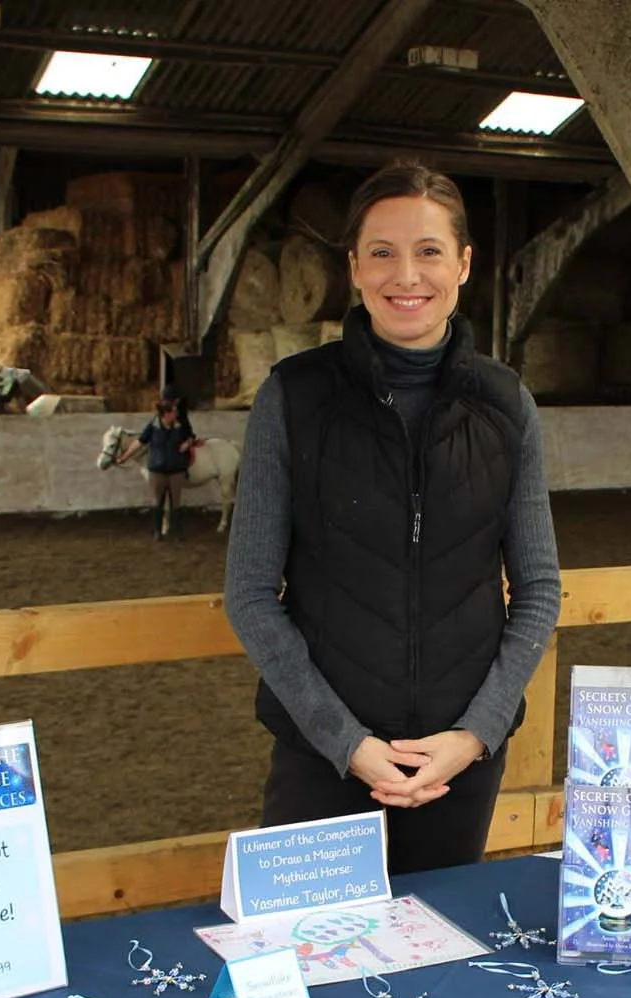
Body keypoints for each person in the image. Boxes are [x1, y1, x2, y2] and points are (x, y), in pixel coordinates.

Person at [224, 159, 562, 875]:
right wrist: (345, 741)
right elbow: (250, 594)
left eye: (429, 251)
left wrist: (476, 733)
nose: (406, 275)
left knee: (442, 939)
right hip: (324, 761)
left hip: (456, 766)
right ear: (353, 267)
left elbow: (538, 590)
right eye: (382, 252)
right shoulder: (293, 398)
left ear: (463, 264)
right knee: (309, 941)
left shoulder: (508, 406)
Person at [130, 387, 195, 539]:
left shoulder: (181, 419)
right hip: (159, 467)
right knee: (158, 501)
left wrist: (187, 443)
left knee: (175, 501)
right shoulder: (155, 423)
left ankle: (175, 530)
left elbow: (190, 434)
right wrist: (126, 455)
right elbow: (141, 440)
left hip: (175, 466)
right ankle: (158, 530)